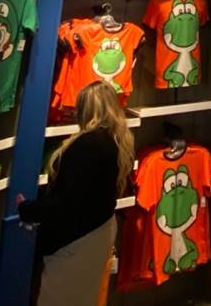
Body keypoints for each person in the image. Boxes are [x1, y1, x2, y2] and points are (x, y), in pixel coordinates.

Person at [17, 81, 134, 305]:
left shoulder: (87, 145)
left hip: (75, 241)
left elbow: (66, 204)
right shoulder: (117, 140)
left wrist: (28, 209)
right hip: (100, 230)